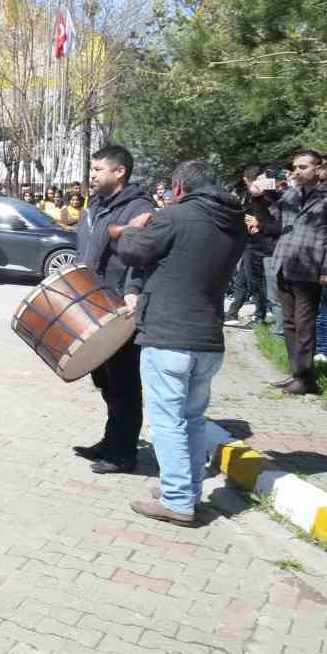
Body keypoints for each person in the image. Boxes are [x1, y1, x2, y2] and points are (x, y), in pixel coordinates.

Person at [113, 160, 246, 527]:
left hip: (169, 335)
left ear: (179, 188)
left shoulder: (174, 216)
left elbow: (133, 252)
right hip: (208, 338)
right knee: (192, 420)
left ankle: (177, 501)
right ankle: (186, 490)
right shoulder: (234, 222)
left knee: (168, 422)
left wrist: (133, 228)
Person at [72, 145, 156, 474]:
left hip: (120, 309)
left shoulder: (139, 208)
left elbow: (141, 257)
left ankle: (124, 453)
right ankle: (111, 441)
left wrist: (132, 291)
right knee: (104, 380)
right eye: (92, 169)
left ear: (119, 171)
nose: (91, 175)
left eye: (98, 169)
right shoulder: (96, 206)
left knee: (123, 383)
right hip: (93, 305)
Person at [272, 151, 327, 395]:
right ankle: (297, 373)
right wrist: (260, 198)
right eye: (295, 167)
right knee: (289, 323)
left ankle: (305, 379)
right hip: (284, 264)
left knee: (304, 324)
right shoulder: (291, 194)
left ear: (318, 169)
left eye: (303, 167)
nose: (297, 171)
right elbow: (273, 222)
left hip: (309, 268)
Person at [223, 167, 279, 329]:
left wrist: (259, 225)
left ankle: (260, 316)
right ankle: (232, 313)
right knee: (241, 281)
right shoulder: (247, 196)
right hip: (249, 243)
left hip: (261, 245)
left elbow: (275, 222)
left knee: (256, 283)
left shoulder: (270, 197)